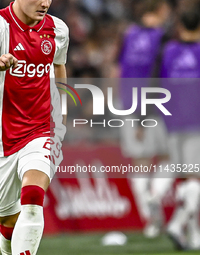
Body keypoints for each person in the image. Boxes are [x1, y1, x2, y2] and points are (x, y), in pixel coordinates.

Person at [0, 1, 69, 254]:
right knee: (8, 223)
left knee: (32, 198)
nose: (45, 3)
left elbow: (58, 64)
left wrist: (61, 112)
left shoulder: (58, 29)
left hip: (42, 130)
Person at [116, 0, 172, 238]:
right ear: (159, 10)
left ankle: (151, 221)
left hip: (127, 103)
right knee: (171, 157)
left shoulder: (128, 34)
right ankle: (155, 195)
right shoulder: (164, 38)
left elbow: (119, 71)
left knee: (140, 163)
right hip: (157, 106)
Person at [160, 4, 200, 250]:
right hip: (196, 122)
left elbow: (160, 83)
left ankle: (194, 235)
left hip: (172, 122)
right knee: (195, 178)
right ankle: (177, 223)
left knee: (186, 179)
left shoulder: (169, 51)